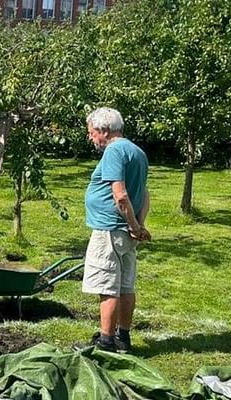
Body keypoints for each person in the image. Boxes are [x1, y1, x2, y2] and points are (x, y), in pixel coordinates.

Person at [80, 107, 151, 353]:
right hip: (126, 232)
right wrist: (138, 226)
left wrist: (132, 225)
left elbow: (120, 195)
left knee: (107, 285)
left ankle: (106, 341)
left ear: (104, 130)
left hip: (109, 229)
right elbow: (144, 194)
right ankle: (123, 337)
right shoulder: (137, 152)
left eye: (91, 133)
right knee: (125, 286)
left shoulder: (113, 151)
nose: (91, 138)